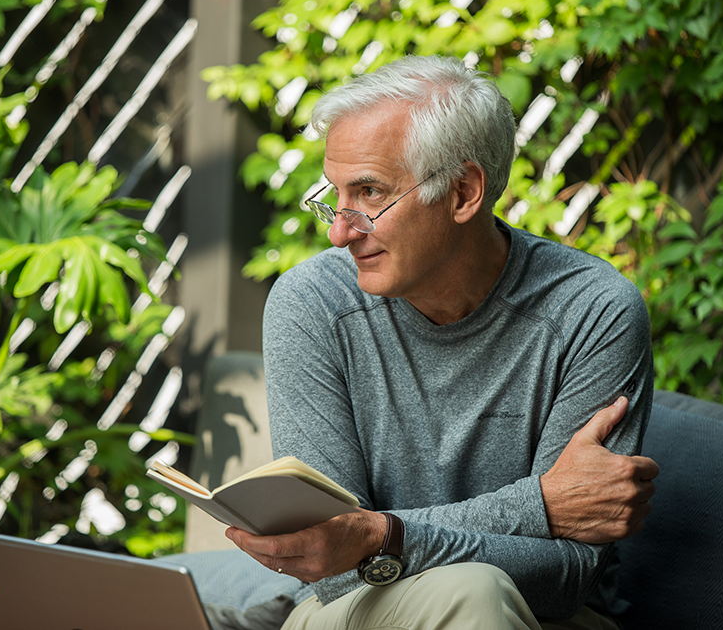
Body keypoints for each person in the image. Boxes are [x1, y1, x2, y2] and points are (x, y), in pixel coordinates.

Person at [224, 55, 660, 630]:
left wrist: (382, 535)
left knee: (476, 593)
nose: (338, 231)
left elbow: (563, 581)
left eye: (370, 193)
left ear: (462, 193)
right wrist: (541, 507)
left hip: (543, 621)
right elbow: (331, 566)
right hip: (355, 611)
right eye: (336, 194)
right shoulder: (313, 304)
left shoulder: (592, 313)